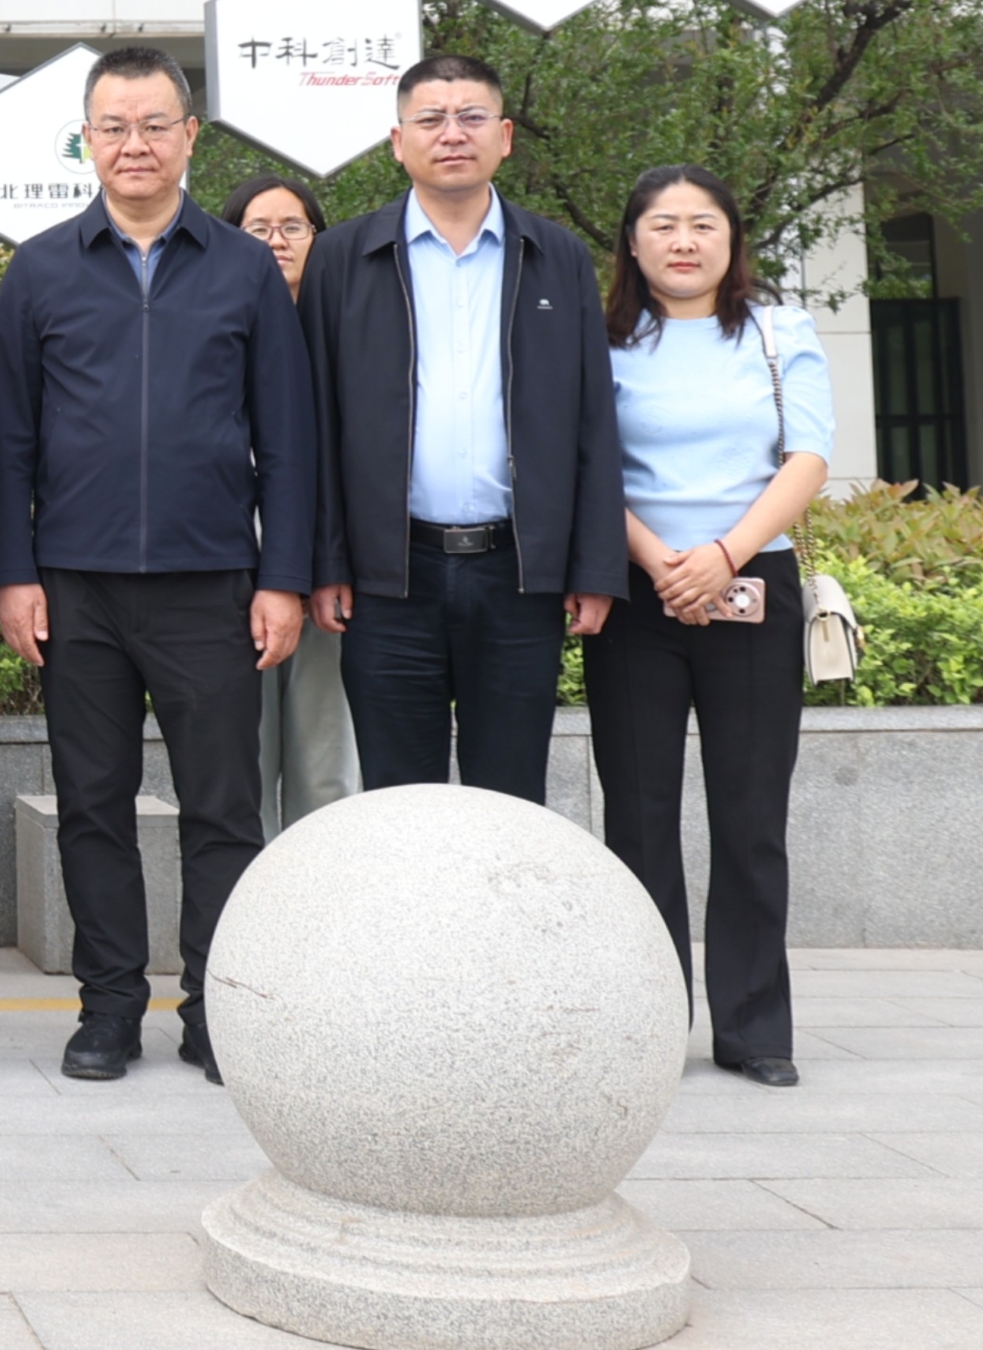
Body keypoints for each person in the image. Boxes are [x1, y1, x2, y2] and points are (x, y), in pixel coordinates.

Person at [0, 47, 311, 1086]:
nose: (134, 144)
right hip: (75, 589)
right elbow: (6, 440)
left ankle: (215, 1010)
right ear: (86, 139)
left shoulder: (241, 267)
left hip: (210, 584)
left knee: (223, 810)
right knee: (92, 803)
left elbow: (286, 437)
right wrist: (15, 574)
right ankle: (109, 1007)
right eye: (113, 126)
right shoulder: (40, 268)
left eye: (154, 124)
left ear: (188, 136)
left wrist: (281, 578)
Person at [300, 55, 623, 808]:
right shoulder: (343, 257)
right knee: (397, 800)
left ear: (504, 137)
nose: (452, 134)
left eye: (472, 117)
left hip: (518, 575)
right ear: (398, 141)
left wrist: (593, 564)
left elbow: (591, 419)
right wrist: (327, 560)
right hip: (387, 577)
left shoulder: (557, 256)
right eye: (431, 119)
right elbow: (314, 421)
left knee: (509, 799)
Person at [589, 166, 833, 1088]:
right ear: (633, 241)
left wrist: (725, 555)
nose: (684, 241)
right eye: (663, 224)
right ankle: (650, 1020)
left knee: (751, 813)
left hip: (754, 581)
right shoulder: (599, 340)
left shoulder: (779, 331)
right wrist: (662, 561)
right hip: (635, 588)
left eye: (703, 224)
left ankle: (754, 1025)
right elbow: (584, 463)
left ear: (732, 240)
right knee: (639, 814)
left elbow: (807, 457)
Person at [222, 171, 354, 838]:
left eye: (293, 227)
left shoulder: (346, 331)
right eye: (258, 229)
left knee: (326, 758)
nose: (276, 241)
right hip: (231, 563)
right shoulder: (214, 326)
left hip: (331, 567)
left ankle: (322, 894)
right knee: (244, 756)